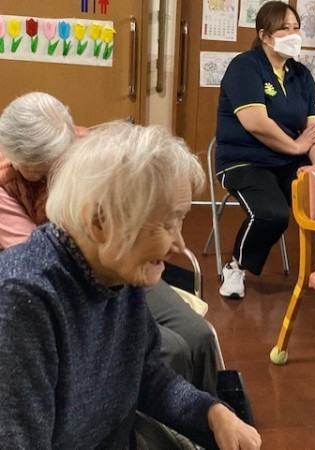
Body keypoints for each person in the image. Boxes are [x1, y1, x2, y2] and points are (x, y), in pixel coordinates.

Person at [0, 120, 261, 449]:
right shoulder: (22, 300)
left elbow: (144, 374)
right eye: (166, 224)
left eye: (180, 220)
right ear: (100, 222)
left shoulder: (116, 272)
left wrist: (211, 413)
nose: (179, 244)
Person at [0, 92, 219, 396]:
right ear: (16, 158)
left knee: (198, 334)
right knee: (171, 349)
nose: (57, 176)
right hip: (77, 280)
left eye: (61, 162)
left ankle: (210, 406)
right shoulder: (8, 192)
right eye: (39, 170)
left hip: (121, 261)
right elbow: (44, 256)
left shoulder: (90, 148)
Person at [215, 0, 315, 299]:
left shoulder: (301, 75)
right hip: (243, 161)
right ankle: (235, 267)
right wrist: (296, 146)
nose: (293, 34)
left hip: (287, 162)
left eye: (296, 28)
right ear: (264, 35)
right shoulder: (245, 67)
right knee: (273, 213)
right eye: (284, 29)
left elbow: (314, 132)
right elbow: (256, 123)